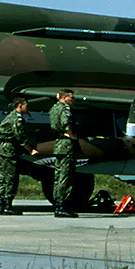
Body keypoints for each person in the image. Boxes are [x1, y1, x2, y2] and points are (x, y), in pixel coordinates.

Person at [0, 96, 38, 215]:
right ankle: (7, 205)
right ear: (20, 106)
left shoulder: (10, 116)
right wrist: (30, 150)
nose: (27, 108)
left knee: (1, 178)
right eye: (26, 105)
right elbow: (20, 137)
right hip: (8, 150)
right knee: (10, 178)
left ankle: (1, 205)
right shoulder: (17, 119)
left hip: (1, 149)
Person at [49, 88, 79, 218]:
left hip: (58, 144)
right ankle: (62, 206)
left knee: (58, 175)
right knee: (65, 176)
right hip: (66, 144)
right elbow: (66, 123)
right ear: (65, 98)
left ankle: (58, 204)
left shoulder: (54, 108)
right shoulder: (65, 109)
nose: (73, 100)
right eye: (71, 97)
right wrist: (71, 135)